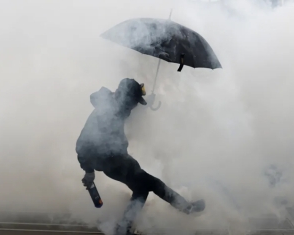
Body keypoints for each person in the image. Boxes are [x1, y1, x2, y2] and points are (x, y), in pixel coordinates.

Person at [75, 78, 205, 235]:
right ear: (126, 97)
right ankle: (185, 208)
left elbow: (126, 112)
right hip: (111, 161)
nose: (135, 105)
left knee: (142, 188)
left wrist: (146, 104)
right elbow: (82, 144)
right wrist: (88, 171)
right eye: (134, 101)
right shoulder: (106, 112)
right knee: (152, 183)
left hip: (119, 159)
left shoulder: (115, 105)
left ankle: (124, 228)